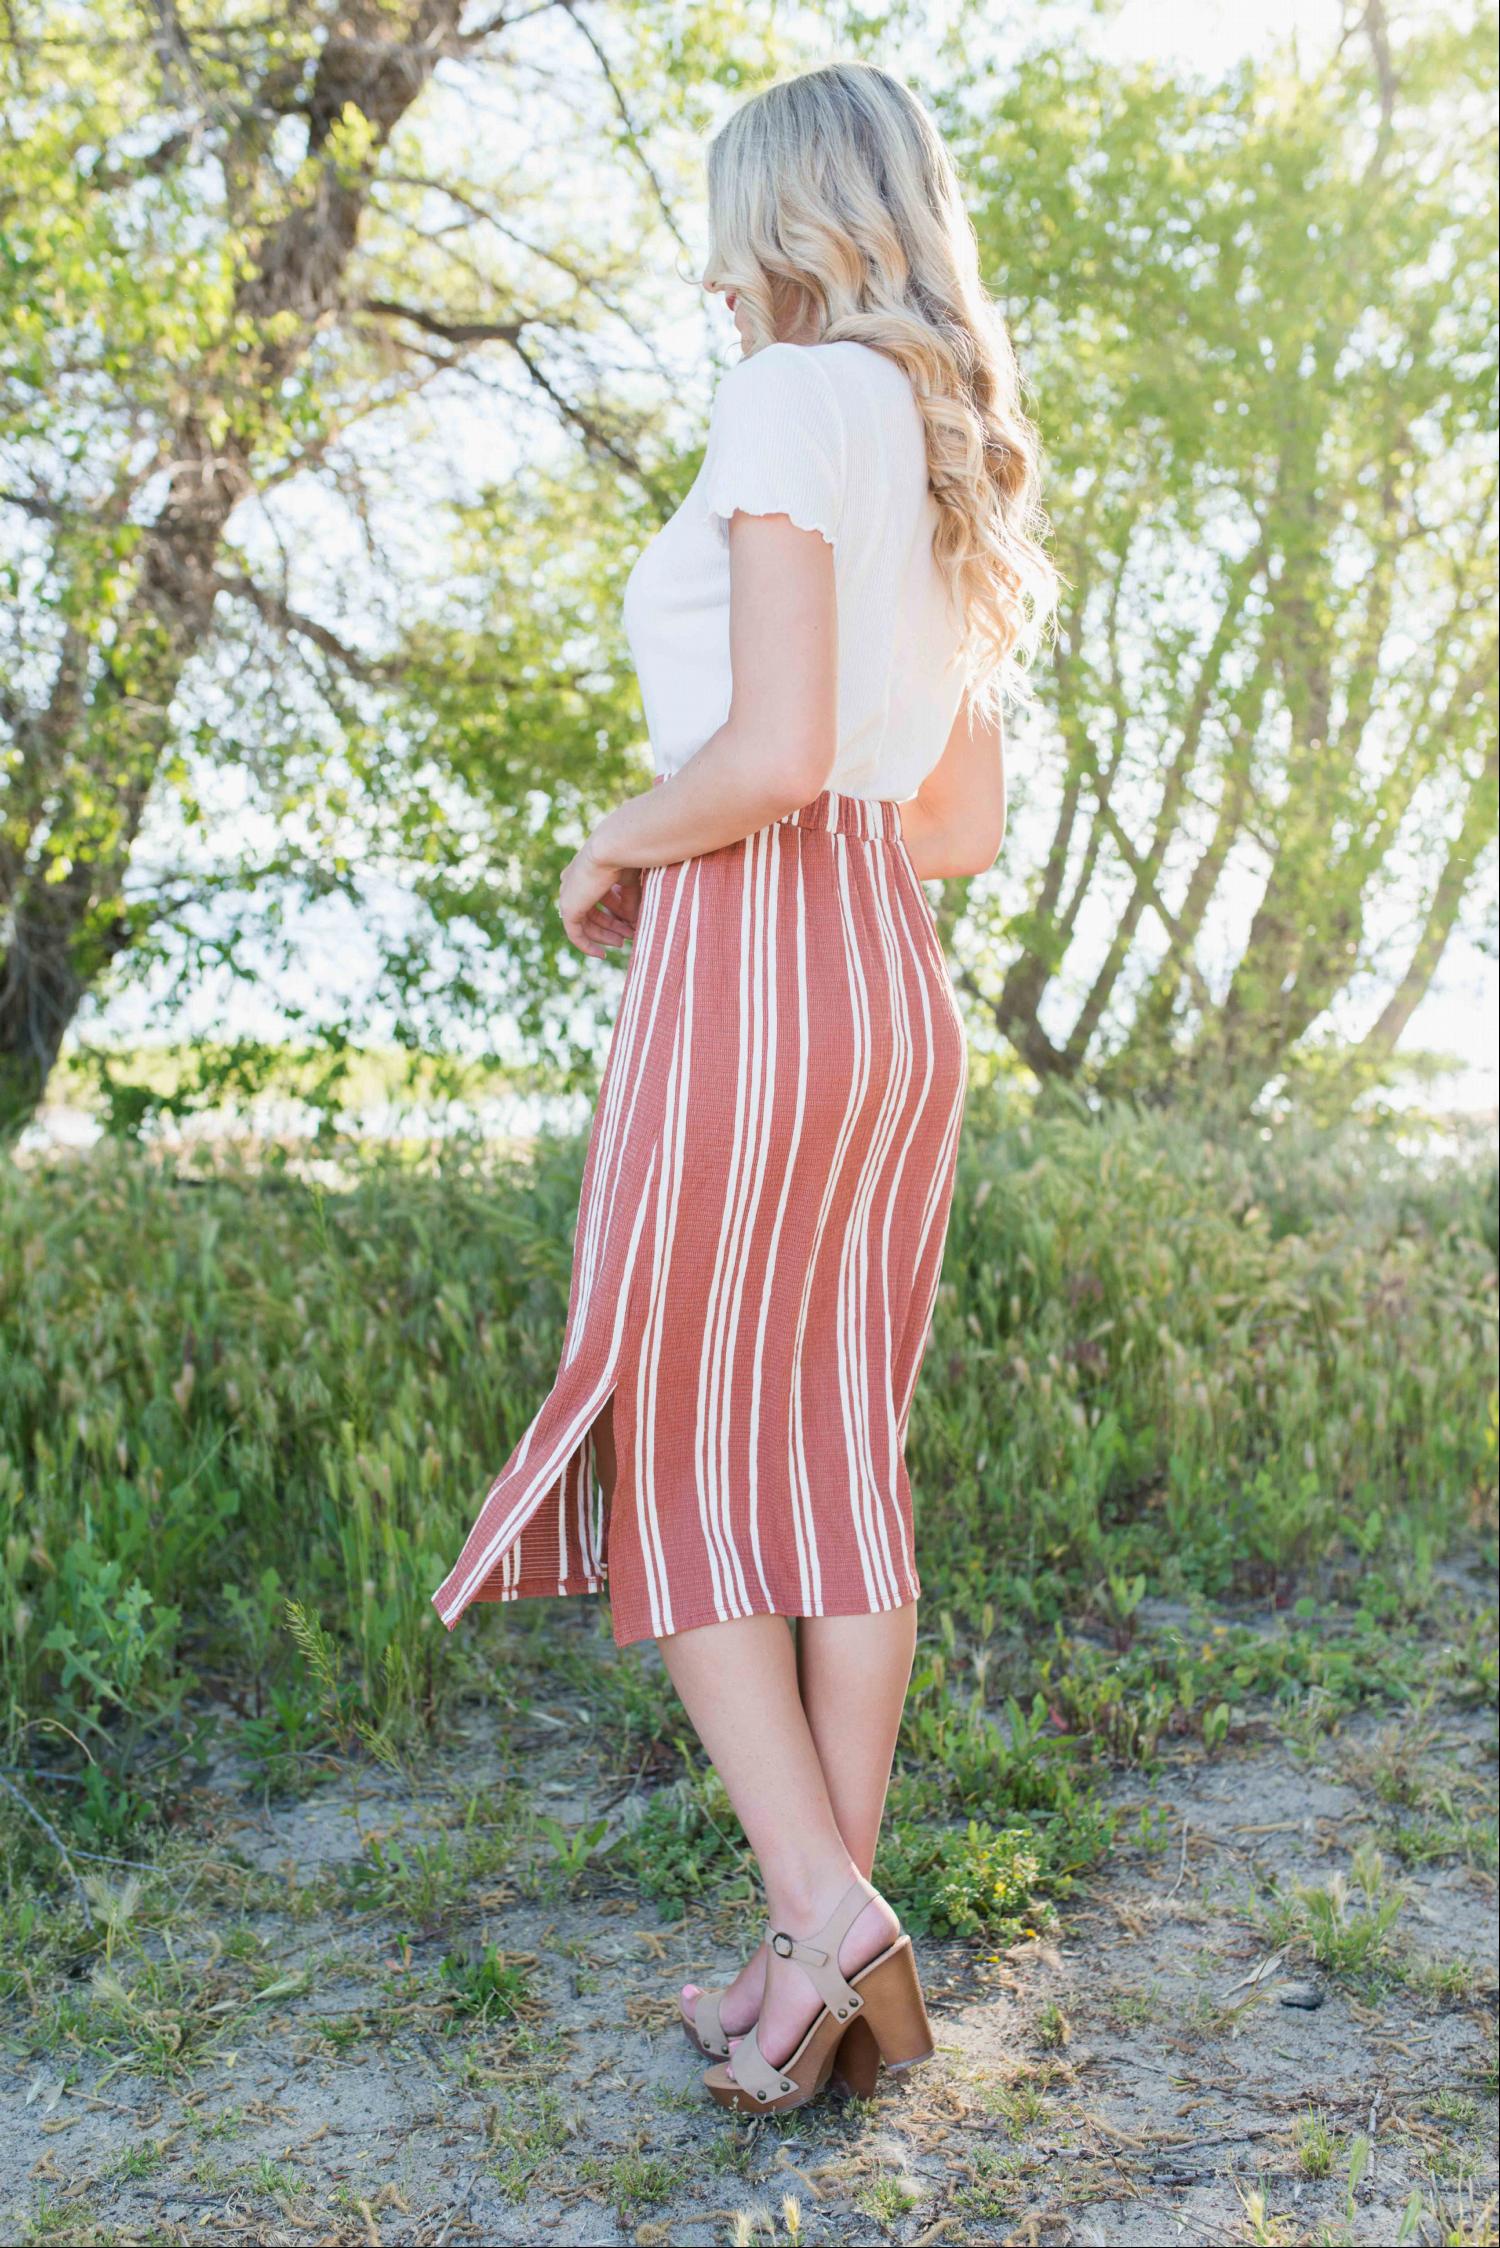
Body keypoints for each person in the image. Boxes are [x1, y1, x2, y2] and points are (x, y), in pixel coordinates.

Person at [432, 58, 1055, 2114]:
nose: (710, 272)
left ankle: (829, 1909)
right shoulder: (952, 441)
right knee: (830, 1467)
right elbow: (950, 822)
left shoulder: (793, 399)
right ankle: (804, 1977)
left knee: (685, 1452)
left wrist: (611, 835)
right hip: (892, 970)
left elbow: (772, 752)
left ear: (789, 217)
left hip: (760, 948)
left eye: (727, 228)